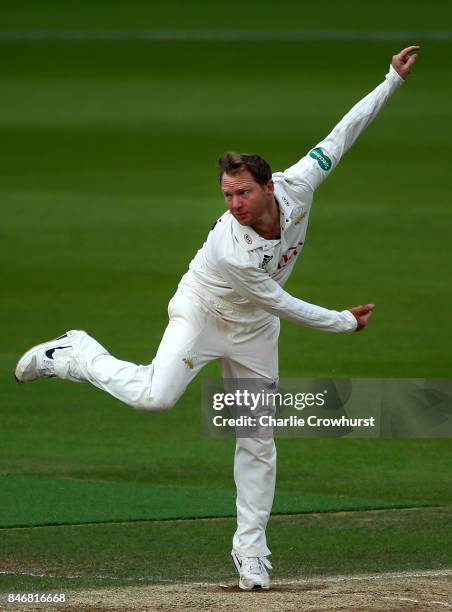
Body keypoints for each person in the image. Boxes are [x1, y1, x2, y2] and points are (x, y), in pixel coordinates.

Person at [15, 46, 418, 591]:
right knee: (155, 398)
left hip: (253, 330)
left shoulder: (299, 183)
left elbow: (342, 133)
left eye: (243, 192)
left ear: (269, 186)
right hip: (204, 310)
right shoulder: (232, 248)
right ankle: (76, 352)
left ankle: (251, 554)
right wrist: (343, 322)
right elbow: (281, 302)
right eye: (227, 194)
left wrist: (390, 81)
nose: (234, 203)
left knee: (256, 438)